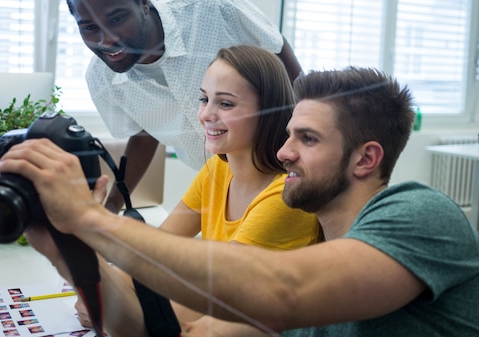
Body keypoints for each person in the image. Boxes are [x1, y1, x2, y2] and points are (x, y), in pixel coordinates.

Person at [1, 67, 479, 336]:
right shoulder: (310, 261)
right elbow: (146, 325)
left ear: (365, 159)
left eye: (307, 139)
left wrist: (91, 218)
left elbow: (282, 292)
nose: (283, 152)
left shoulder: (419, 213)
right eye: (289, 135)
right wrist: (61, 246)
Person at [74, 45, 321, 335]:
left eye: (225, 104)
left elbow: (201, 303)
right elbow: (155, 250)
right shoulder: (218, 168)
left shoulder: (283, 198)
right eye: (204, 99)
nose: (205, 114)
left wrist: (113, 301)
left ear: (268, 111)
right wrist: (106, 288)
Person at [65, 0, 302, 212]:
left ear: (143, 2)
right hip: (217, 183)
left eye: (117, 19)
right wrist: (111, 207)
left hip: (281, 167)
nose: (106, 40)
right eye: (89, 28)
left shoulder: (216, 5)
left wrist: (308, 149)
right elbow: (144, 136)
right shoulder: (102, 79)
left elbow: (282, 57)